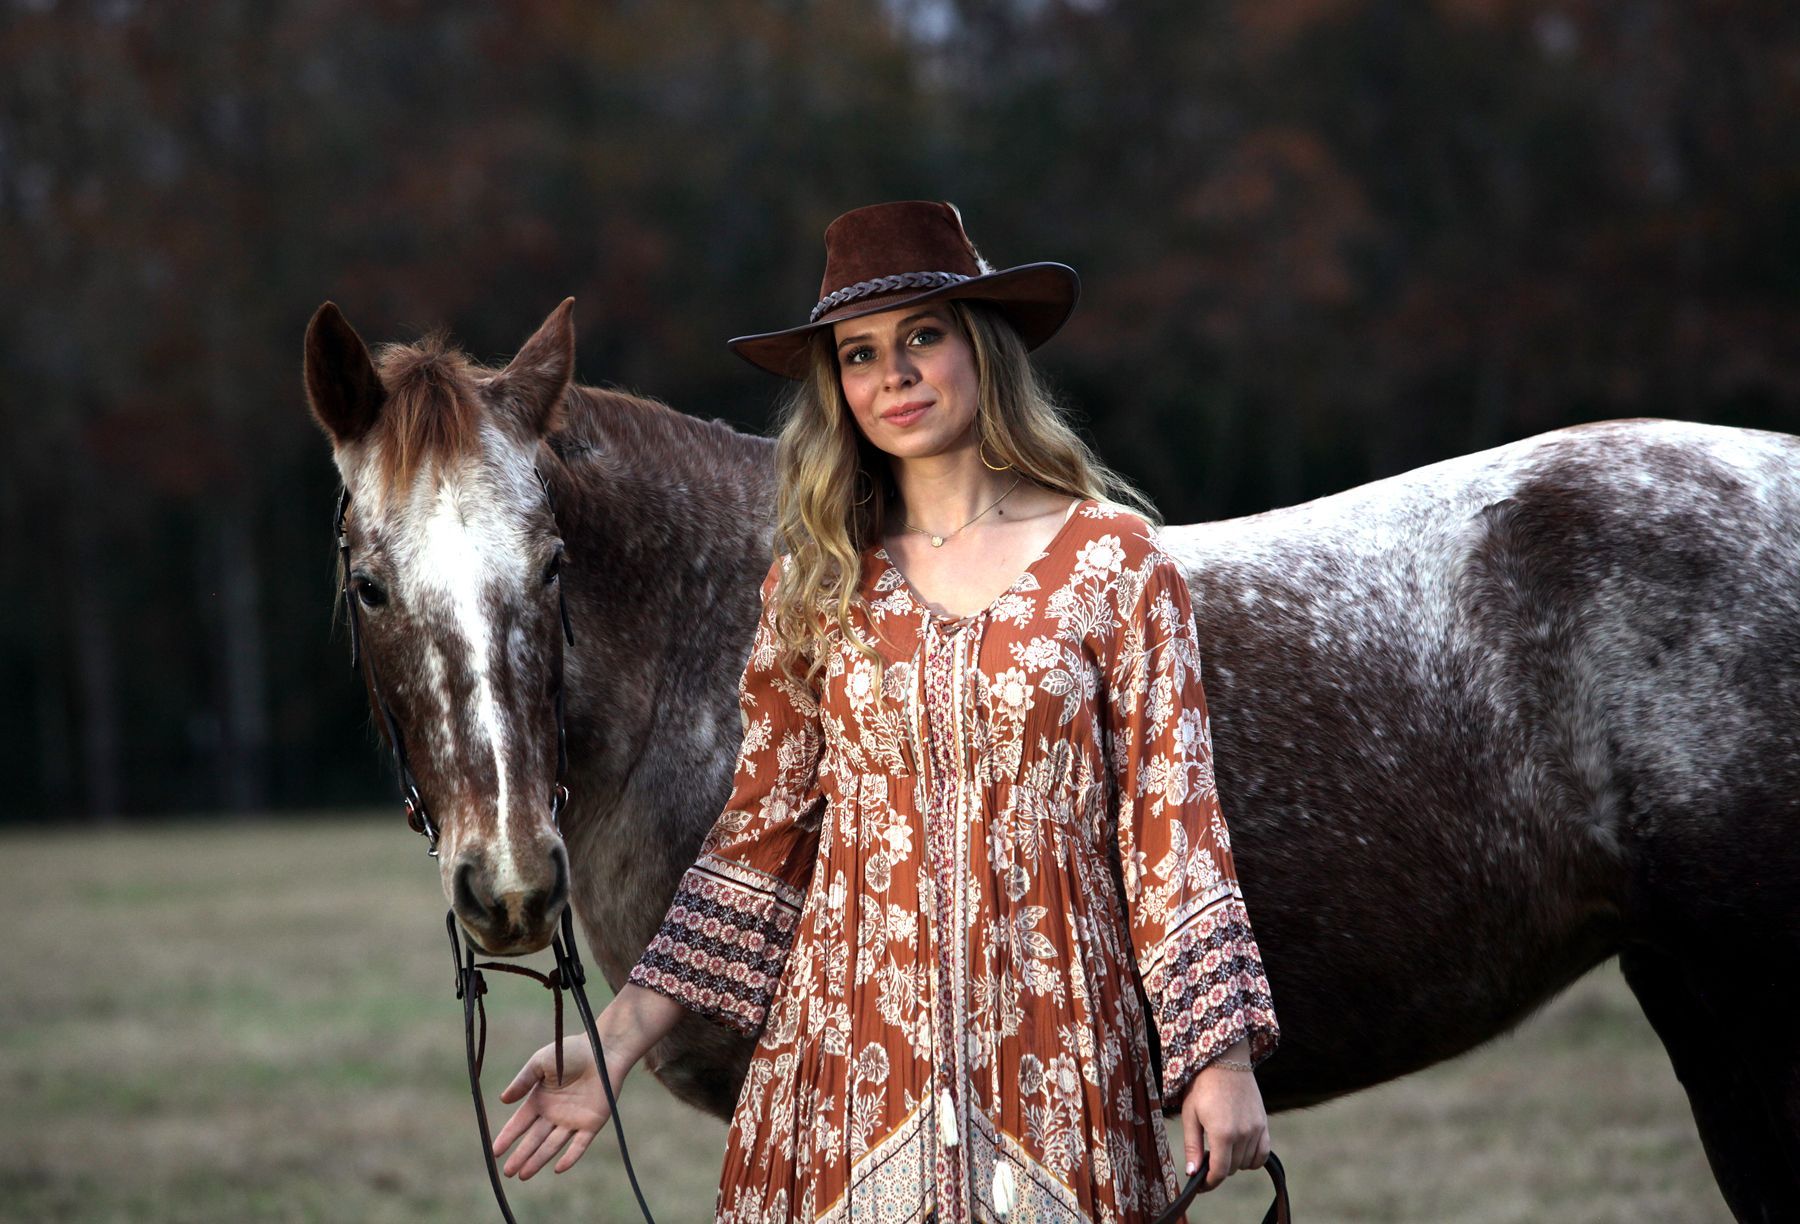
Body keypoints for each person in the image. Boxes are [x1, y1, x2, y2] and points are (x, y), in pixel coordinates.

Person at [492, 200, 1280, 1222]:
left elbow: (1175, 834)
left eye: (922, 337)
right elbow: (758, 849)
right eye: (859, 355)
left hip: (1061, 1056)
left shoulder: (1117, 563)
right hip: (850, 1068)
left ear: (982, 351)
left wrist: (1217, 1058)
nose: (893, 374)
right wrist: (617, 1040)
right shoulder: (815, 588)